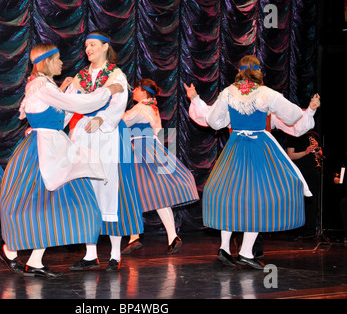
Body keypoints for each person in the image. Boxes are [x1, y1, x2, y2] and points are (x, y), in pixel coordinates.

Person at [0, 43, 123, 278]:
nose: (62, 63)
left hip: (54, 147)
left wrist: (65, 90)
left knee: (53, 204)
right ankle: (11, 249)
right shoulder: (40, 86)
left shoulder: (45, 86)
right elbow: (79, 105)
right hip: (43, 150)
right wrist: (110, 90)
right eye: (58, 59)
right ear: (47, 62)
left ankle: (33, 259)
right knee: (37, 202)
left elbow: (62, 115)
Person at [187, 55, 321, 269]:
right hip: (260, 146)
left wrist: (197, 100)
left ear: (239, 71)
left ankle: (224, 247)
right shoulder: (266, 93)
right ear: (259, 72)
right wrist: (310, 109)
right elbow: (293, 115)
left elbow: (213, 121)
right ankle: (246, 252)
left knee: (227, 193)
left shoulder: (228, 92)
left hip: (236, 146)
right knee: (259, 197)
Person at [66, 31, 144, 272]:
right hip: (84, 134)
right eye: (86, 45)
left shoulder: (116, 74)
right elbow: (68, 103)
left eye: (92, 45)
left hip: (107, 135)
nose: (88, 49)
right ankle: (90, 254)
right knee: (87, 188)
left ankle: (114, 253)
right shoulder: (80, 77)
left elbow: (119, 101)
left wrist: (102, 118)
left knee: (109, 186)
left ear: (104, 47)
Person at [121, 79, 199, 255]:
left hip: (141, 150)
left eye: (136, 89)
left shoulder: (140, 108)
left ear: (143, 92)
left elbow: (122, 121)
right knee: (151, 193)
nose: (133, 92)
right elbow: (157, 132)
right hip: (151, 148)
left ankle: (137, 237)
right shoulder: (152, 108)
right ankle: (167, 237)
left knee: (135, 192)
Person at [286, 130, 324, 239]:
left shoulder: (315, 135)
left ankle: (310, 230)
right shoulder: (293, 135)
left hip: (313, 172)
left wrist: (317, 150)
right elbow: (290, 156)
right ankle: (297, 230)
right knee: (298, 202)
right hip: (299, 173)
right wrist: (305, 152)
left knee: (312, 202)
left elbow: (321, 157)